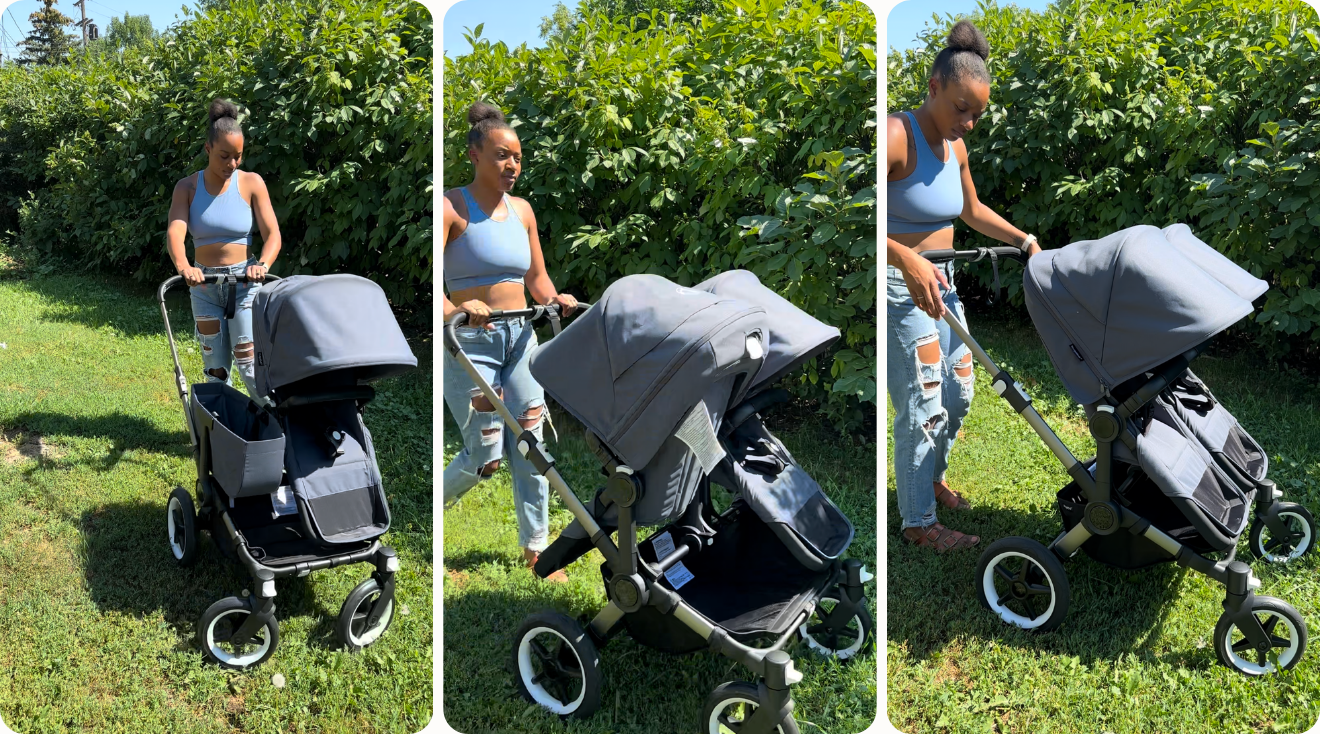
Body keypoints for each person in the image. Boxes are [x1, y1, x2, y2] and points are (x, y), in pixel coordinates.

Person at [886, 21, 1042, 553]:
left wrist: (1024, 240)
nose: (969, 123)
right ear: (933, 87)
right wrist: (905, 257)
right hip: (901, 287)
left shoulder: (955, 149)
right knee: (923, 401)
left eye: (976, 114)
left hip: (944, 284)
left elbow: (972, 210)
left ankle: (930, 479)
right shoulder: (897, 135)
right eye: (961, 109)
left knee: (958, 393)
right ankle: (917, 522)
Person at [442, 101, 579, 581]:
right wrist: (456, 310)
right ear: (474, 155)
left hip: (521, 338)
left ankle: (536, 550)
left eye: (517, 157)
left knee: (532, 446)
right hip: (469, 343)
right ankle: (435, 511)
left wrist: (555, 297)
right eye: (502, 155)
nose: (512, 166)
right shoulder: (450, 208)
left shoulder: (523, 211)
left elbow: (537, 279)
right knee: (486, 458)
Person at [166, 98, 282, 398]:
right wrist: (184, 268)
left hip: (245, 283)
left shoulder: (252, 183)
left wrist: (263, 265)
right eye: (224, 156)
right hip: (204, 286)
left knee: (250, 365)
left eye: (238, 157)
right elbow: (175, 233)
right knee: (215, 370)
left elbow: (273, 235)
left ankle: (273, 421)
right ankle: (222, 423)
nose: (232, 164)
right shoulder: (187, 188)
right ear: (208, 149)